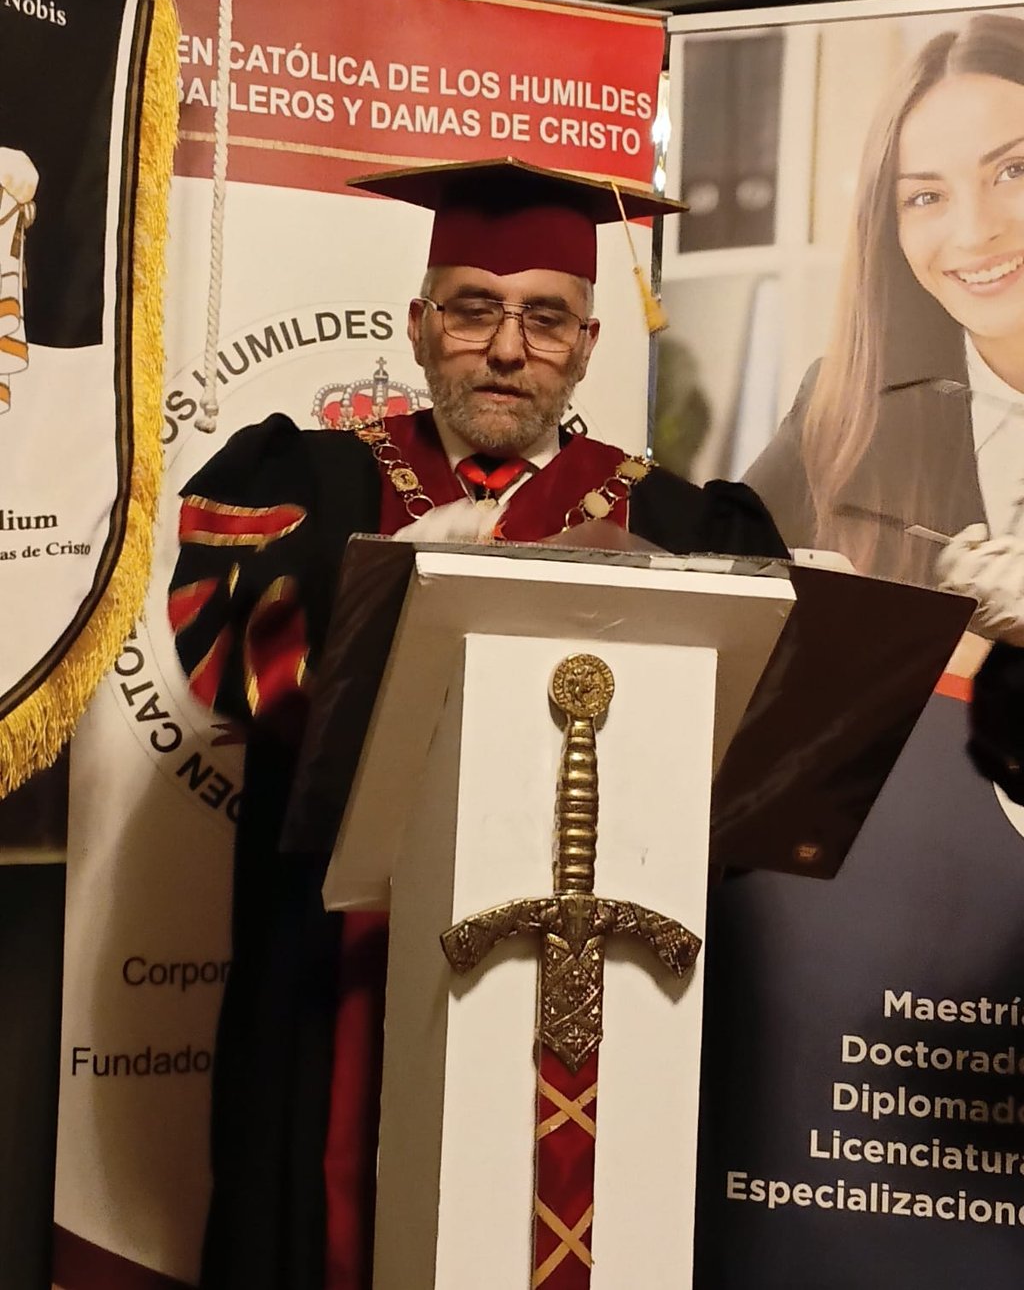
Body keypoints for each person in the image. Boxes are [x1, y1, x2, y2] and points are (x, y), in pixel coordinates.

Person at [169, 158, 788, 1290]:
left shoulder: (680, 523)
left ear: (587, 345)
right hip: (338, 975)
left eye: (545, 319)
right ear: (419, 326)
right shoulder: (312, 481)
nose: (507, 348)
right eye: (472, 311)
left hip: (601, 985)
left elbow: (755, 768)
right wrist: (375, 584)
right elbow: (225, 667)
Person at [746, 10, 1024, 589]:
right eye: (926, 197)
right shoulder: (849, 409)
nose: (975, 232)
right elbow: (717, 582)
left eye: (1013, 170)